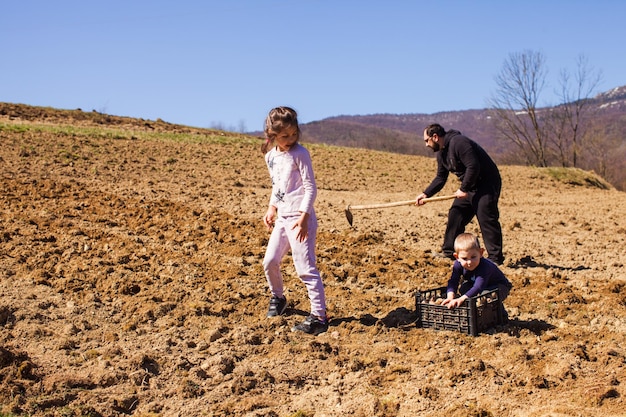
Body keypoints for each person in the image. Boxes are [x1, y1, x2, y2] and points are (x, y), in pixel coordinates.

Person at [261, 106, 328, 335]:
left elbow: (310, 187)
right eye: (284, 136)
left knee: (305, 269)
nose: (290, 139)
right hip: (282, 218)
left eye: (293, 134)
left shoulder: (300, 153)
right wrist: (271, 208)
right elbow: (278, 187)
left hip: (300, 219)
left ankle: (319, 317)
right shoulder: (271, 157)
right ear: (272, 135)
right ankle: (278, 298)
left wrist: (303, 217)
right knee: (269, 261)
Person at [416, 123, 505, 265]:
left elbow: (473, 166)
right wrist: (426, 194)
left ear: (435, 137)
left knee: (486, 218)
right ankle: (449, 251)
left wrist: (463, 188)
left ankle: (495, 259)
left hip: (487, 184)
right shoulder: (441, 153)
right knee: (455, 214)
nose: (426, 144)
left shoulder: (459, 143)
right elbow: (441, 177)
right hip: (470, 186)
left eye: (427, 140)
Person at [442, 233, 512, 321]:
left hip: (499, 286)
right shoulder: (458, 265)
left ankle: (501, 315)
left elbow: (479, 286)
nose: (469, 262)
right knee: (464, 288)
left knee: (486, 296)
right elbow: (453, 281)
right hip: (478, 285)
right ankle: (475, 312)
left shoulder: (484, 267)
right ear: (457, 257)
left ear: (481, 253)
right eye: (464, 258)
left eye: (473, 257)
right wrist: (450, 296)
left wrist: (461, 299)